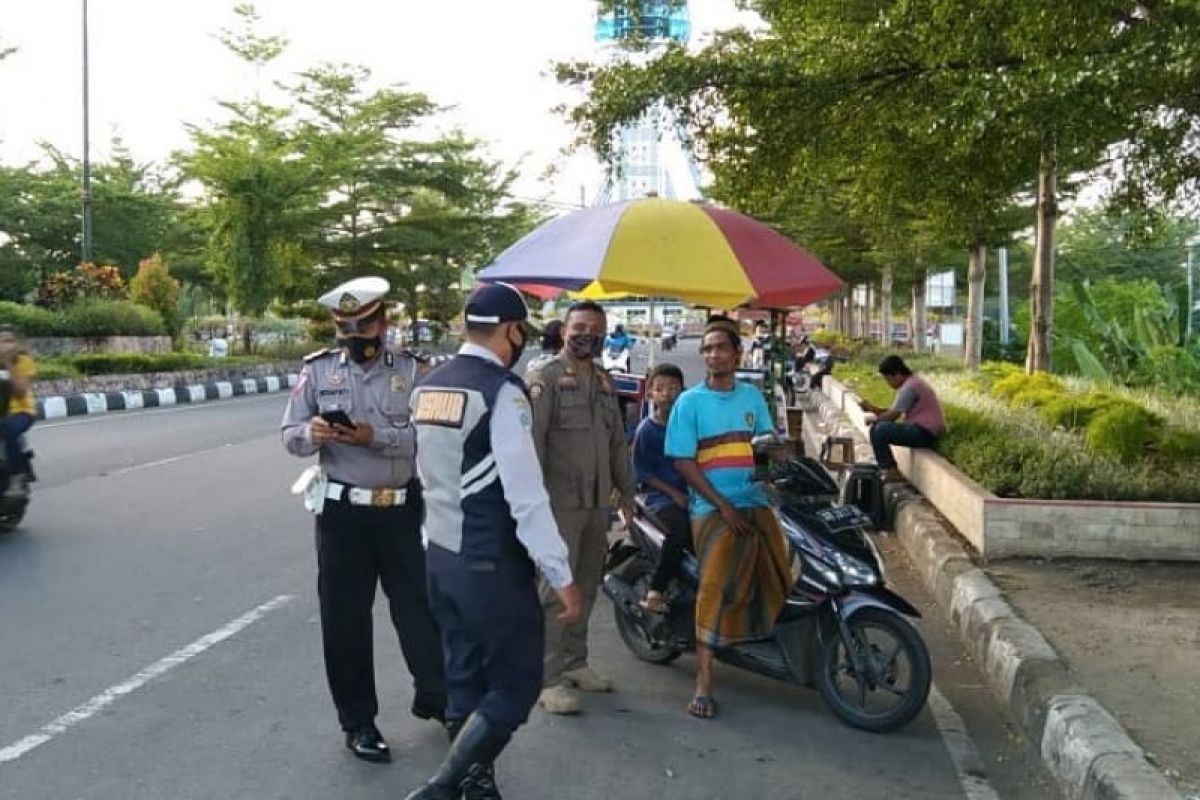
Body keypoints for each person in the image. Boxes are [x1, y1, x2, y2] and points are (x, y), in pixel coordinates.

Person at [405, 282, 582, 800]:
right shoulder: (500, 392)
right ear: (511, 330)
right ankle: (441, 788)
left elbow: (427, 476)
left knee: (464, 676)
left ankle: (474, 783)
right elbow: (526, 497)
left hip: (440, 556)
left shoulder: (428, 387)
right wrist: (561, 574)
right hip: (487, 561)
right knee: (515, 684)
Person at [280, 276, 445, 763]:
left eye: (364, 324)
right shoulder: (318, 372)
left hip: (400, 509)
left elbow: (429, 437)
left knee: (419, 611)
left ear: (383, 321)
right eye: (345, 327)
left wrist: (375, 436)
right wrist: (311, 432)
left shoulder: (416, 372)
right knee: (345, 621)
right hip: (341, 515)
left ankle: (437, 696)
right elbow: (289, 435)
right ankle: (359, 722)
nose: (355, 335)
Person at [665, 317, 794, 720]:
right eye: (707, 349)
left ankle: (753, 633)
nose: (713, 354)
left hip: (754, 499)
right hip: (711, 508)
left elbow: (768, 443)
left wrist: (786, 459)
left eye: (721, 347)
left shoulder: (753, 397)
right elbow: (683, 461)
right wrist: (721, 505)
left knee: (781, 567)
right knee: (716, 580)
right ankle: (704, 680)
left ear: (737, 354)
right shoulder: (690, 402)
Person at [527, 300, 637, 715]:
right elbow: (532, 443)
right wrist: (531, 505)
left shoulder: (606, 383)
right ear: (564, 330)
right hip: (558, 504)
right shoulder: (545, 379)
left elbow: (617, 445)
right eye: (579, 326)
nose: (586, 333)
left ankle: (576, 662)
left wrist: (627, 493)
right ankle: (548, 678)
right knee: (557, 589)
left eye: (595, 327)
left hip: (596, 506)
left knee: (588, 583)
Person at [632, 363, 691, 613]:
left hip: (692, 494)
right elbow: (642, 471)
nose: (667, 393)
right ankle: (656, 590)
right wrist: (674, 493)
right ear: (650, 394)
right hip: (659, 497)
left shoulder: (689, 426)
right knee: (679, 531)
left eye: (673, 388)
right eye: (660, 388)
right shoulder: (647, 430)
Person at [858, 355, 945, 480]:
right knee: (879, 428)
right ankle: (889, 468)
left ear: (897, 374)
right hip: (921, 429)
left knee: (878, 430)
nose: (888, 384)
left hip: (924, 432)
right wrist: (873, 409)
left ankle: (890, 470)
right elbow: (893, 411)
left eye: (888, 379)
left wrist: (875, 419)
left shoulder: (910, 388)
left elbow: (892, 416)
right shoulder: (912, 383)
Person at [0, 326, 37, 498]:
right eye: (1, 340)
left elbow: (20, 391)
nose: (4, 344)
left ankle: (18, 475)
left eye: (9, 340)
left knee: (8, 428)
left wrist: (9, 364)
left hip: (22, 411)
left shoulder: (22, 361)